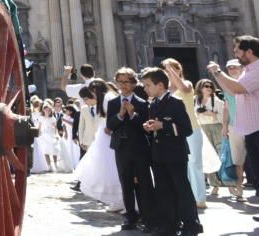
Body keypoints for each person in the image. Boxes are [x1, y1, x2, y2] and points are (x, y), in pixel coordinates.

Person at [208, 37, 259, 229]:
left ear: (249, 52)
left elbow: (237, 88)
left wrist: (218, 71)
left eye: (237, 50)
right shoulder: (249, 71)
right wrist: (218, 76)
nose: (235, 53)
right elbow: (232, 91)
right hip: (253, 129)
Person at [142, 67, 203, 236]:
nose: (145, 89)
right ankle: (169, 223)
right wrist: (150, 126)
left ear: (160, 85)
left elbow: (186, 129)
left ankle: (191, 224)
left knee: (181, 188)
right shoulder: (153, 104)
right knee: (163, 190)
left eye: (148, 85)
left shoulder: (175, 102)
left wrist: (164, 126)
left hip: (175, 153)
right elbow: (156, 124)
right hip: (159, 153)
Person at [106, 67, 156, 231]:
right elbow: (110, 126)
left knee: (144, 184)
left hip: (139, 148)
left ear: (134, 83)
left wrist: (133, 115)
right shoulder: (113, 103)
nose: (123, 85)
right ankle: (130, 217)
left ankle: (148, 218)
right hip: (121, 148)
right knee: (126, 183)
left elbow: (145, 128)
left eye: (126, 82)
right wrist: (120, 115)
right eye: (120, 82)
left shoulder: (142, 103)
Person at [162, 58, 207, 208]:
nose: (169, 71)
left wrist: (171, 69)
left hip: (192, 128)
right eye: (167, 69)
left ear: (178, 69)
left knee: (195, 163)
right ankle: (185, 196)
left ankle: (200, 198)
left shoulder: (186, 84)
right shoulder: (166, 90)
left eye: (174, 68)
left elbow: (184, 88)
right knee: (182, 164)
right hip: (175, 131)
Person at [73, 79, 123, 211]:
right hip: (103, 136)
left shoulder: (108, 98)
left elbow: (114, 117)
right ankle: (117, 200)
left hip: (107, 136)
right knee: (107, 169)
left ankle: (121, 200)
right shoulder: (105, 99)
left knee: (112, 169)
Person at [219, 60, 246, 202]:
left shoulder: (248, 82)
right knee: (237, 159)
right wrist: (224, 125)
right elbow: (226, 107)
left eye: (234, 67)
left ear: (242, 68)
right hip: (234, 125)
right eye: (229, 68)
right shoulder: (227, 86)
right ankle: (239, 187)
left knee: (257, 158)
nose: (232, 70)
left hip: (252, 124)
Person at [193, 78, 225, 197]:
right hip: (202, 127)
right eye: (206, 86)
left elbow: (222, 116)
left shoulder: (217, 100)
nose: (209, 88)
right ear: (200, 88)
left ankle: (227, 181)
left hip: (216, 126)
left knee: (221, 153)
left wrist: (209, 113)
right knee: (208, 155)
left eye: (211, 86)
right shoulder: (195, 100)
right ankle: (214, 184)